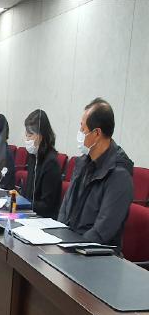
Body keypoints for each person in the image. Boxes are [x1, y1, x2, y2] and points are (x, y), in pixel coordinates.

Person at [58, 98, 133, 248]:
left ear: (97, 133)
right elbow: (65, 208)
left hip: (95, 253)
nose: (79, 134)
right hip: (70, 245)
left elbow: (102, 232)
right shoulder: (82, 163)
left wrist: (71, 247)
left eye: (83, 129)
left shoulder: (119, 174)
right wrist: (57, 236)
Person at [20, 109, 62, 219]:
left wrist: (23, 203)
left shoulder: (51, 163)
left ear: (41, 136)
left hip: (43, 219)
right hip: (29, 215)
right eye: (26, 135)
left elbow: (47, 206)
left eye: (30, 135)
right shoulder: (33, 157)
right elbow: (28, 193)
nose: (27, 139)